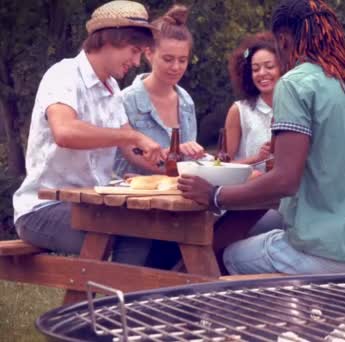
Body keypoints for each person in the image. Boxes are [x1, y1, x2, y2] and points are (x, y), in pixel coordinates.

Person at [178, 0, 345, 275]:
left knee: (224, 253)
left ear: (283, 40)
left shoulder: (294, 83)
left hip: (321, 254)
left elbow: (285, 180)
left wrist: (215, 195)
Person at [12, 1, 162, 265]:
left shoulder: (112, 88)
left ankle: (118, 301)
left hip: (91, 206)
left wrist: (172, 164)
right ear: (110, 40)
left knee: (157, 230)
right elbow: (65, 131)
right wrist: (131, 137)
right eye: (134, 51)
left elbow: (132, 149)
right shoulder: (63, 74)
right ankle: (116, 304)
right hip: (41, 209)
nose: (137, 62)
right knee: (133, 233)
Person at [114, 4, 205, 177]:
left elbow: (188, 160)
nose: (176, 67)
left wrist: (194, 155)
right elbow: (133, 155)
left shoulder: (186, 101)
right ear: (148, 53)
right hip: (132, 199)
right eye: (168, 59)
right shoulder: (126, 100)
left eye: (183, 60)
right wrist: (176, 152)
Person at [225, 32, 279, 170]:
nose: (261, 73)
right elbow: (221, 165)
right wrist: (257, 158)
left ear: (283, 68)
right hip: (250, 189)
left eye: (269, 66)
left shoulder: (296, 109)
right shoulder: (239, 111)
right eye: (255, 69)